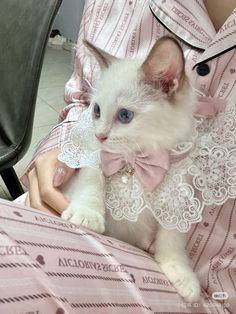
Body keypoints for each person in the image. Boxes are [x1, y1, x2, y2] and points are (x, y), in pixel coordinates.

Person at [0, 0, 235, 313]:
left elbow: (175, 207)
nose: (101, 132)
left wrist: (172, 257)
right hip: (71, 227)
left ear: (168, 84)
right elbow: (81, 108)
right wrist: (61, 157)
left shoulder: (179, 147)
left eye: (124, 115)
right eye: (101, 114)